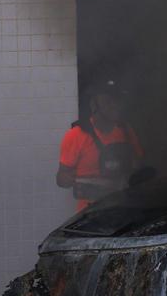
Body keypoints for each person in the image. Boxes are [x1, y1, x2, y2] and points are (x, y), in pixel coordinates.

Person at [56, 80, 143, 211]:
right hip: (90, 211)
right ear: (93, 105)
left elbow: (138, 166)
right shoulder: (76, 135)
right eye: (108, 101)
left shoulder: (125, 130)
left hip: (123, 207)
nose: (114, 105)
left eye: (117, 101)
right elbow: (61, 179)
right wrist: (72, 180)